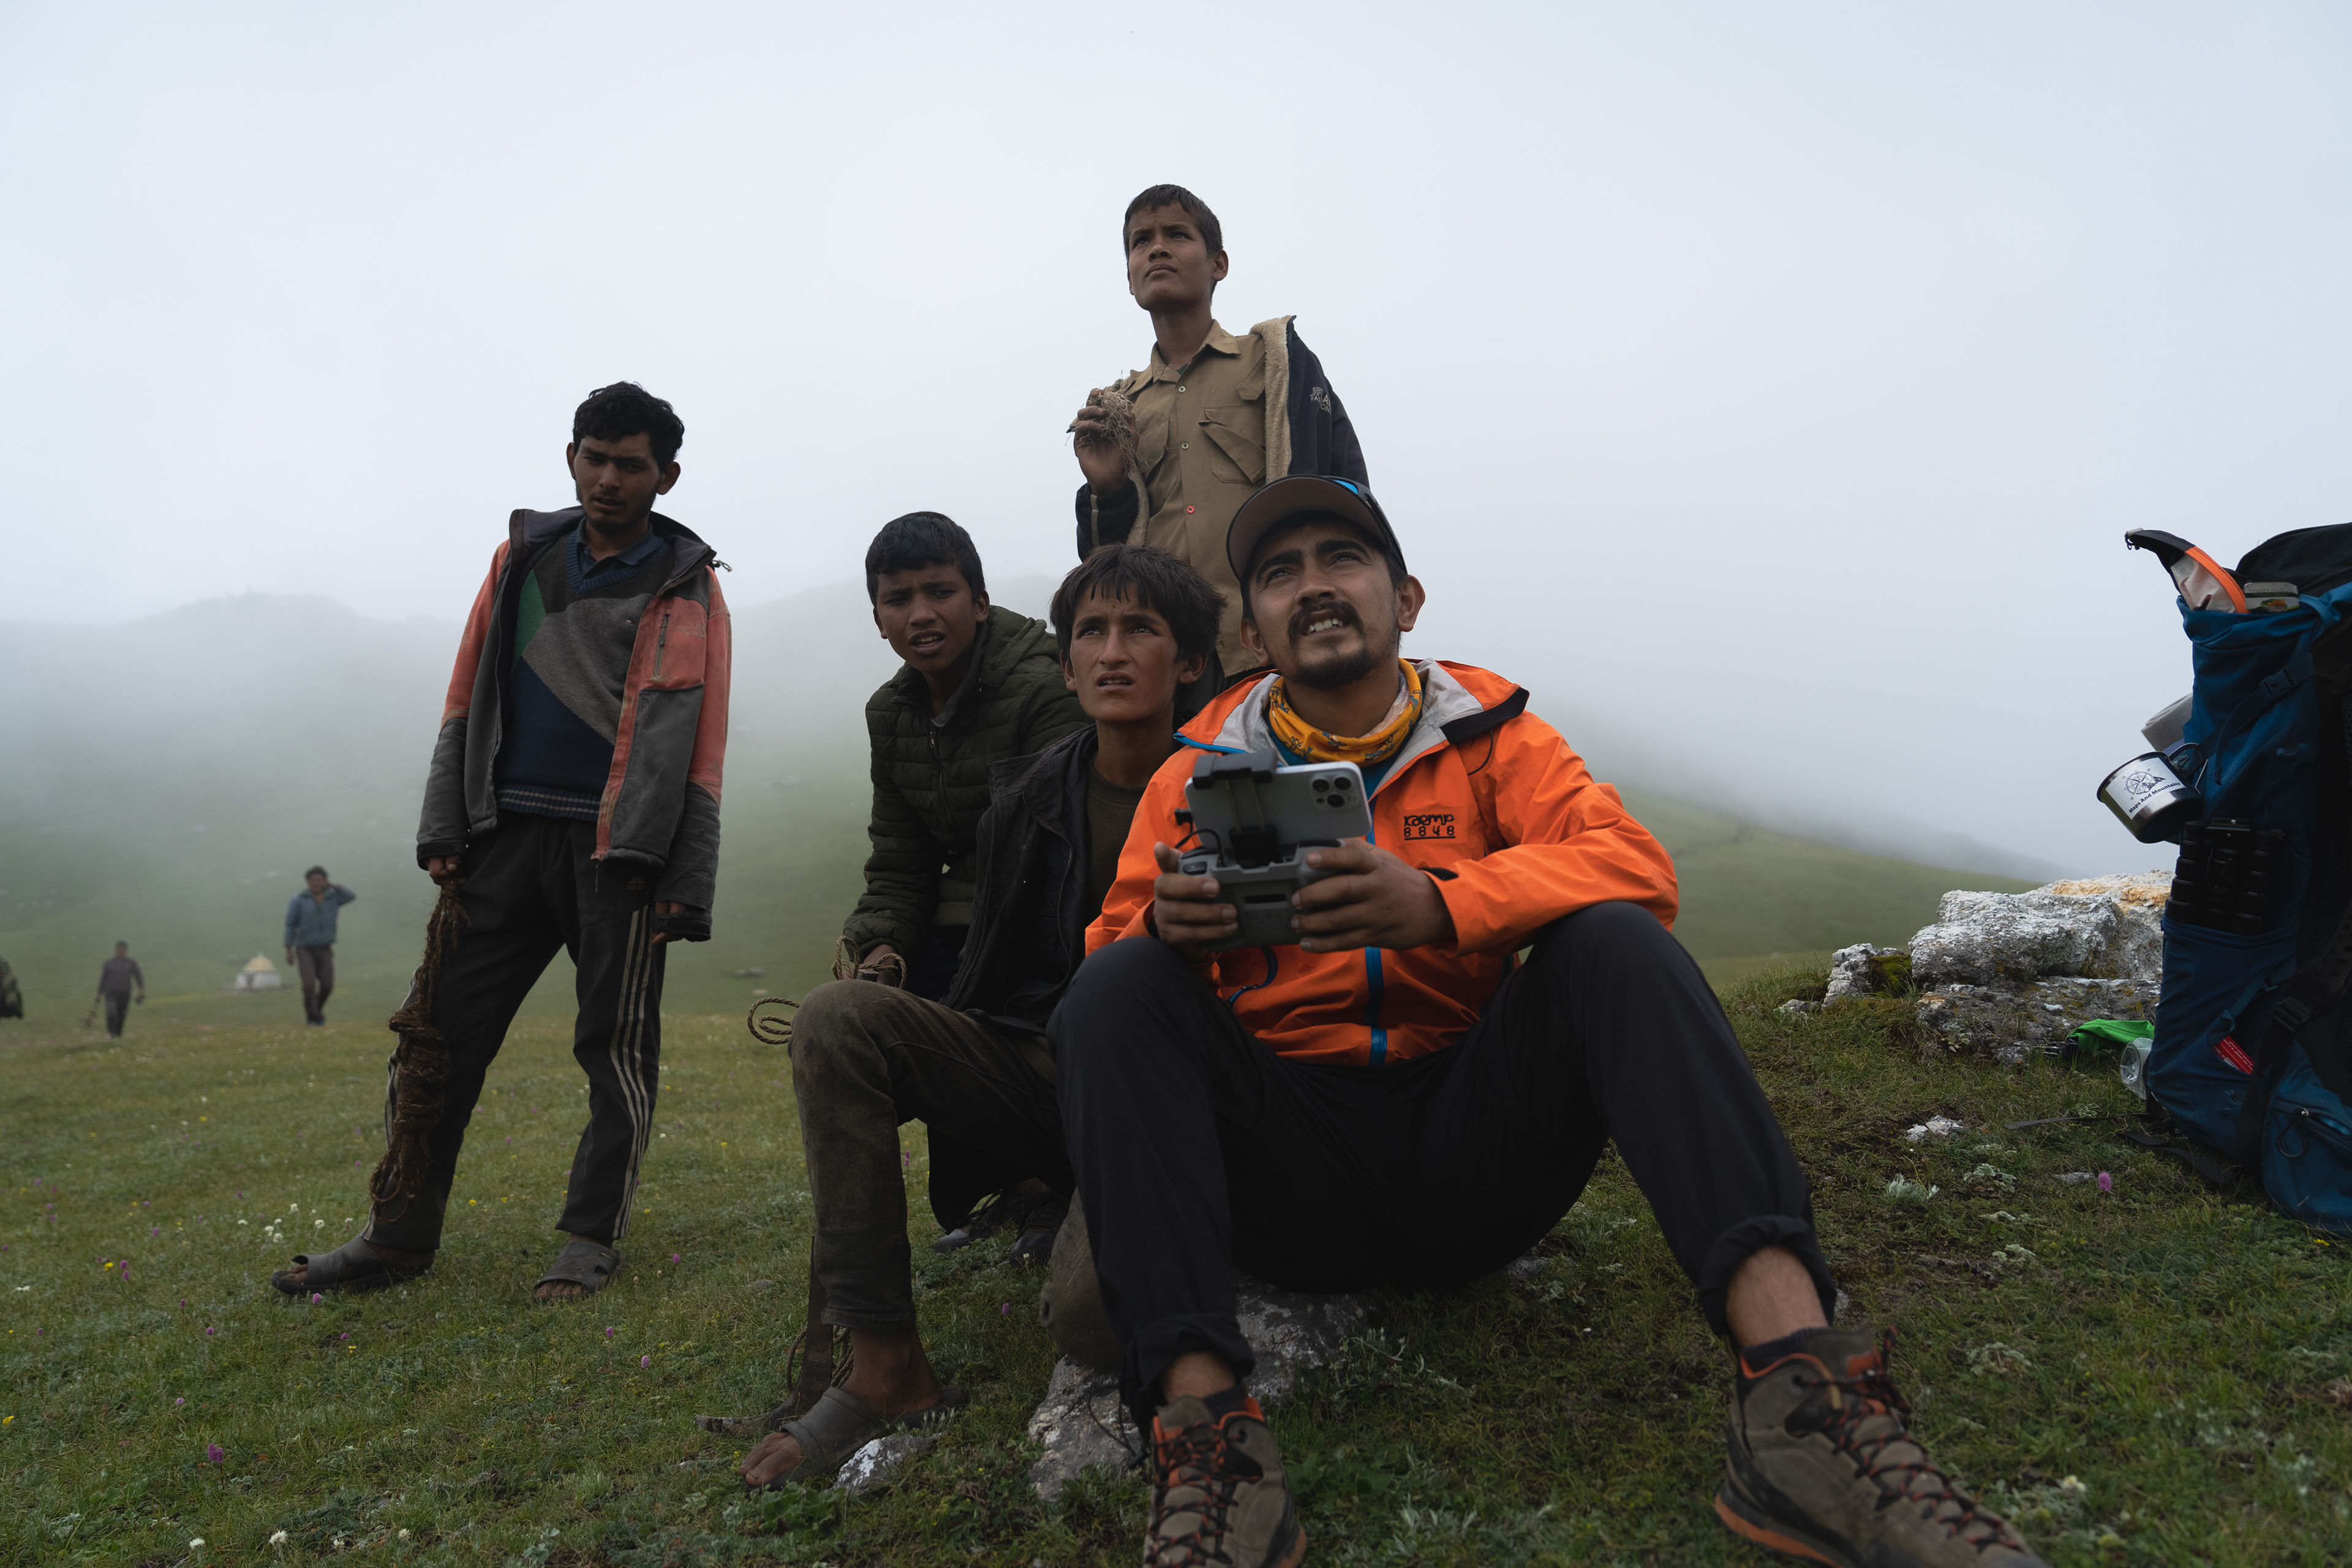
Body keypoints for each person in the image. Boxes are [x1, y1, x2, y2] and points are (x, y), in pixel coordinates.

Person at [1045, 478, 2051, 1568]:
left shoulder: (1497, 735)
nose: (1315, 587)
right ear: (1252, 629)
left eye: (1344, 558)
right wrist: (1172, 930)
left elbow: (1635, 866)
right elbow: (1111, 971)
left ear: (1407, 597)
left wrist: (1439, 905)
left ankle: (1806, 1404)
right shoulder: (1197, 767)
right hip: (1287, 1172)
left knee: (1615, 942)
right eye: (1280, 574)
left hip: (1473, 1151)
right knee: (1115, 987)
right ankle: (1210, 1454)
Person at [735, 545, 1223, 1491]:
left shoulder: (1238, 787)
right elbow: (1000, 969)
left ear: (1192, 662)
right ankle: (886, 1369)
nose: (1112, 654)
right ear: (1066, 659)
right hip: (1053, 1072)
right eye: (1092, 633)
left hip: (1192, 1096)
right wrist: (897, 980)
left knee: (1090, 1321)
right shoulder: (1031, 797)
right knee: (841, 1018)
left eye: (1141, 632)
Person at [273, 381, 731, 1305]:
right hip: (504, 837)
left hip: (620, 856)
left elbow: (705, 742)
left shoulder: (690, 587)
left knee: (615, 1049)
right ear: (571, 458)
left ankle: (589, 1238)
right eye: (594, 458)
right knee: (435, 1037)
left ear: (666, 476)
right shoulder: (521, 559)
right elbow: (464, 688)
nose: (608, 478)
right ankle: (396, 1236)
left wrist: (690, 872)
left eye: (630, 464)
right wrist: (445, 821)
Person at [1069, 184, 1368, 708]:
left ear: (1218, 264)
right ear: (1130, 276)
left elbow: (1344, 488)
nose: (1157, 249)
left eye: (1177, 235)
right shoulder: (1119, 406)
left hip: (1272, 644)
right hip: (1171, 663)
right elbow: (1105, 563)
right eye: (1141, 242)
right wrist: (1107, 487)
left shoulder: (1277, 363)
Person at [840, 512, 1088, 1000]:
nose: (921, 614)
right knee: (853, 1014)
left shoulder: (1046, 691)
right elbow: (902, 860)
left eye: (939, 592)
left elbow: (1052, 859)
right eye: (897, 599)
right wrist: (880, 954)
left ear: (979, 604)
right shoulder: (890, 714)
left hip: (1049, 926)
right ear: (878, 620)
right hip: (956, 924)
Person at [282, 866, 357, 1026]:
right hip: (304, 949)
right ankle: (313, 1019)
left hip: (325, 948)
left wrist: (334, 886)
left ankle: (316, 1013)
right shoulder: (298, 900)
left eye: (319, 880)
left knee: (327, 986)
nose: (315, 883)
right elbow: (290, 924)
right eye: (312, 880)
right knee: (309, 986)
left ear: (324, 881)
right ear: (307, 882)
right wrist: (288, 948)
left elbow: (351, 896)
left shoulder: (333, 898)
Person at [94, 942, 144, 1038]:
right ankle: (111, 1033)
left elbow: (138, 976)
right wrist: (99, 994)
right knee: (112, 1012)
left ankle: (118, 1034)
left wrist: (141, 989)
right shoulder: (108, 963)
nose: (121, 951)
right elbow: (103, 979)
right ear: (116, 950)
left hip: (125, 993)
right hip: (111, 993)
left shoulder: (131, 963)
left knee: (122, 1015)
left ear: (126, 950)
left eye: (123, 949)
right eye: (119, 949)